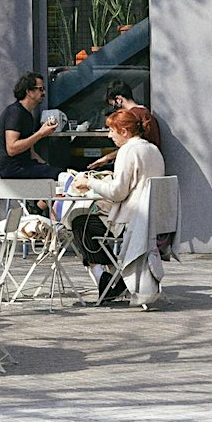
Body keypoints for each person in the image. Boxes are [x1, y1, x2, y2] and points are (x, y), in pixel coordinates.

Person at [70, 107, 166, 302]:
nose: (109, 135)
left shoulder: (127, 151)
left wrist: (89, 182)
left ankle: (106, 278)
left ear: (124, 131)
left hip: (132, 222)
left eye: (112, 130)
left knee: (79, 222)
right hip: (153, 220)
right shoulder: (152, 149)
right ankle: (115, 278)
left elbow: (117, 193)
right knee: (91, 222)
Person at [0, 71, 61, 180]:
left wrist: (45, 165)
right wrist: (40, 134)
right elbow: (12, 149)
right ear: (29, 91)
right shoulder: (15, 113)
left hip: (26, 166)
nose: (44, 93)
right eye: (40, 89)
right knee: (59, 175)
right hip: (14, 170)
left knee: (58, 173)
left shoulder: (28, 115)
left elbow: (30, 151)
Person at [87, 80, 162, 170]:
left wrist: (108, 157)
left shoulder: (132, 116)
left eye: (113, 106)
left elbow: (132, 147)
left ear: (119, 100)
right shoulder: (145, 113)